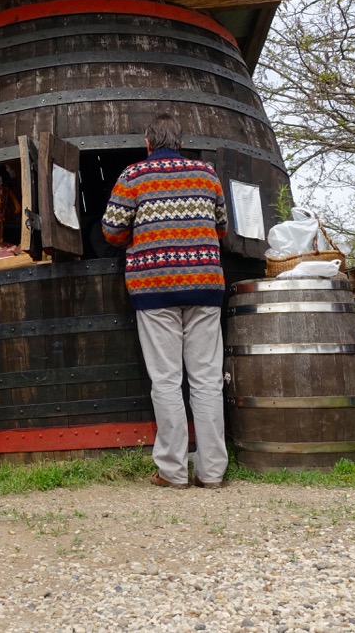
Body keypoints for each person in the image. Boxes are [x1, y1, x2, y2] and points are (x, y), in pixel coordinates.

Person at [101, 113, 228, 489]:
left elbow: (110, 231)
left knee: (167, 381)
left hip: (154, 289)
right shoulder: (207, 174)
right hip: (205, 286)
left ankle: (173, 472)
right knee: (207, 381)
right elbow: (221, 228)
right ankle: (213, 472)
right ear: (181, 140)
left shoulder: (133, 176)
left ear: (148, 142)